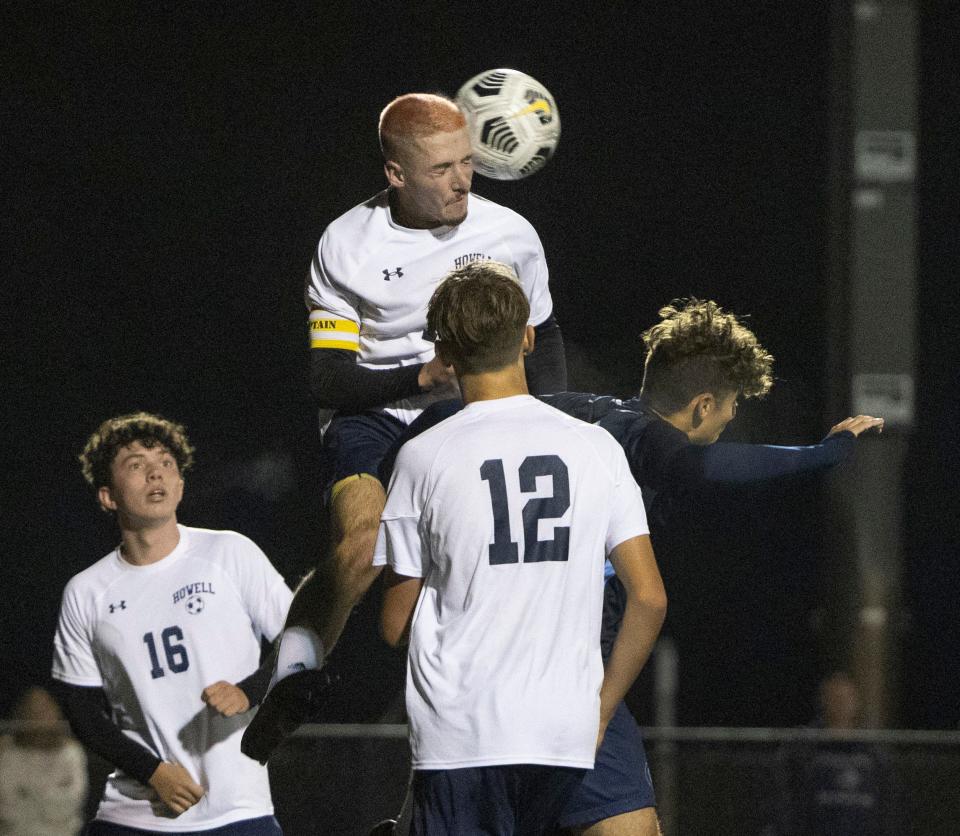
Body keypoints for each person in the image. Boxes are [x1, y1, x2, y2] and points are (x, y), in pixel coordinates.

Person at [383, 298, 883, 835]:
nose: (734, 418)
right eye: (732, 405)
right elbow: (706, 471)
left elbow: (470, 418)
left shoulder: (580, 412)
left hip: (491, 661)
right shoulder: (643, 444)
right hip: (571, 666)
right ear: (702, 405)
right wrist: (823, 452)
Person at [242, 92, 566, 762]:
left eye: (468, 162)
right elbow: (329, 381)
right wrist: (418, 378)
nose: (462, 181)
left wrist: (552, 423)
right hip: (372, 416)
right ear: (395, 175)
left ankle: (491, 700)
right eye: (441, 169)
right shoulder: (346, 244)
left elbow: (547, 336)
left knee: (480, 561)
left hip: (465, 418)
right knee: (360, 549)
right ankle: (292, 676)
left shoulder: (510, 235)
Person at [374, 261, 666, 835]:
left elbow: (393, 624)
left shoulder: (422, 456)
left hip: (462, 735)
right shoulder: (596, 447)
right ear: (528, 337)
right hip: (565, 728)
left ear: (446, 357)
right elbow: (649, 599)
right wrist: (600, 710)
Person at [52, 412, 293, 835]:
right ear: (108, 496)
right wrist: (153, 772)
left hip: (236, 811)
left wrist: (249, 691)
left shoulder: (230, 553)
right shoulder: (87, 590)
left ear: (181, 484)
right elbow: (82, 711)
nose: (155, 473)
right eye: (136, 465)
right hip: (131, 815)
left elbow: (305, 646)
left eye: (165, 463)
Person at [765, 672, 897, 835]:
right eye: (835, 698)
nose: (840, 704)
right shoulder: (804, 747)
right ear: (823, 701)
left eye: (846, 698)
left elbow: (887, 804)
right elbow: (787, 800)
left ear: (856, 702)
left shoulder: (871, 751)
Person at [0, 686, 87, 835]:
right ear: (21, 715)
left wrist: (29, 795)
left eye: (45, 711)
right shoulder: (6, 752)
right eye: (33, 711)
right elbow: (7, 808)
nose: (40, 717)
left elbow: (70, 804)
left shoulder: (71, 753)